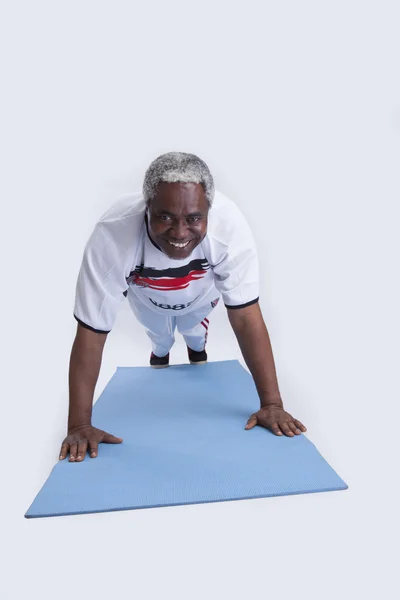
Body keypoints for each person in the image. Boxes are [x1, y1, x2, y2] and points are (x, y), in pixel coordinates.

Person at [59, 152, 307, 463]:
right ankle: (161, 351)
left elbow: (246, 318)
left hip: (200, 296)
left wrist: (272, 402)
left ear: (209, 212)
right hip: (147, 296)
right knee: (159, 337)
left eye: (193, 218)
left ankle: (196, 352)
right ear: (145, 208)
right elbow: (91, 333)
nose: (179, 232)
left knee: (194, 334)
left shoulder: (228, 227)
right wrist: (79, 425)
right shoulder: (113, 236)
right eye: (164, 217)